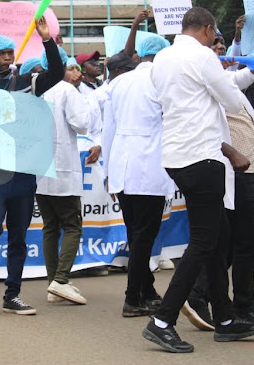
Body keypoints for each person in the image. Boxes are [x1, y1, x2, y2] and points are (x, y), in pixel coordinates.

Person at [143, 7, 254, 353]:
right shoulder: (202, 56)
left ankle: (226, 320)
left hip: (177, 157)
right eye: (215, 34)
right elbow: (231, 101)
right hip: (203, 158)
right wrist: (229, 75)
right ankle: (162, 321)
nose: (216, 40)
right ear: (208, 29)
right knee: (204, 241)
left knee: (218, 236)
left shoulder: (163, 58)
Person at [0, 17, 64, 318]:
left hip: (24, 172)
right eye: (1, 53)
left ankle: (13, 294)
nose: (8, 57)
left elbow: (58, 72)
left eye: (11, 52)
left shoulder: (26, 83)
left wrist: (47, 40)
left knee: (19, 235)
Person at [183, 51, 254, 333]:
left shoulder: (223, 80)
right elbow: (236, 80)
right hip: (233, 173)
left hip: (248, 172)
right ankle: (242, 307)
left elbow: (243, 77)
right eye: (213, 50)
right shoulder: (207, 84)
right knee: (247, 241)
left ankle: (202, 296)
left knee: (229, 243)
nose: (220, 55)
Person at [102, 35, 173, 318]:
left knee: (136, 232)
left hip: (122, 166)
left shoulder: (118, 83)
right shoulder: (161, 81)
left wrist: (108, 173)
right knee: (145, 235)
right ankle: (133, 297)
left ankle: (147, 289)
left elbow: (108, 130)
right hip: (149, 167)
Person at [36, 57, 91, 305]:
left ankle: (54, 283)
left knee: (50, 226)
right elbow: (82, 124)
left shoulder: (36, 89)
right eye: (70, 67)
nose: (75, 72)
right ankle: (60, 279)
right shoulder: (66, 90)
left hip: (39, 168)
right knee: (71, 224)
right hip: (62, 167)